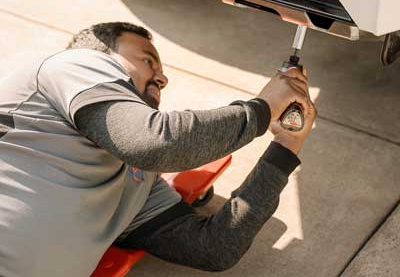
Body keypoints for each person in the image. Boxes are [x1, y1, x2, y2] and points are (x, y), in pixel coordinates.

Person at [0, 21, 316, 277]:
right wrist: (260, 110)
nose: (162, 77)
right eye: (147, 60)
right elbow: (152, 142)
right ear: (103, 54)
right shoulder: (72, 65)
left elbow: (214, 247)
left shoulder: (138, 181)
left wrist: (287, 145)